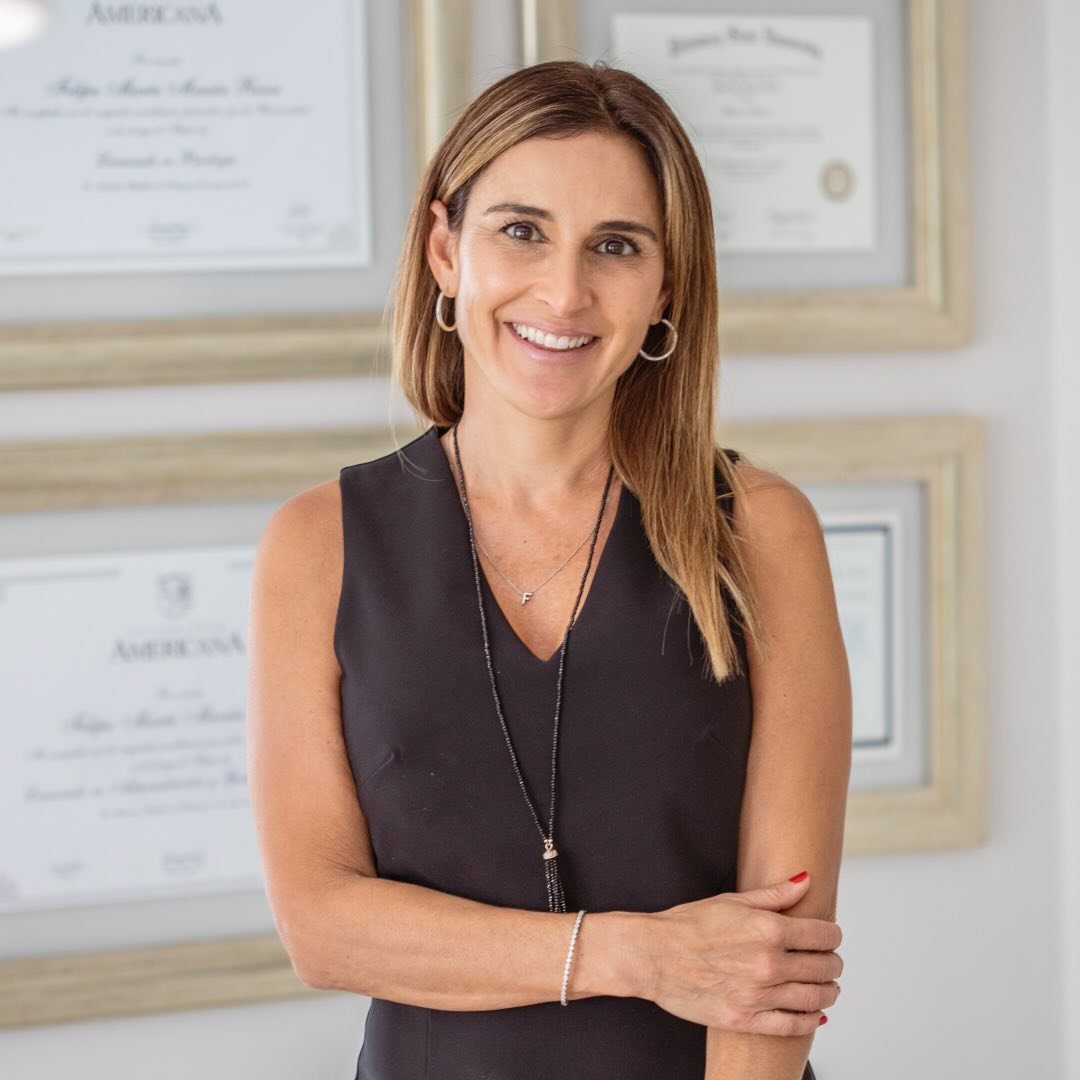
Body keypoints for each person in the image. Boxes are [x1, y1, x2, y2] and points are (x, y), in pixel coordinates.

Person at [247, 60, 851, 1080]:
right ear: (446, 250)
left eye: (616, 246)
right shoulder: (317, 545)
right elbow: (323, 929)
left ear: (667, 286)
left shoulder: (760, 532)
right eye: (521, 230)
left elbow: (775, 964)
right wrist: (638, 955)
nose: (565, 293)